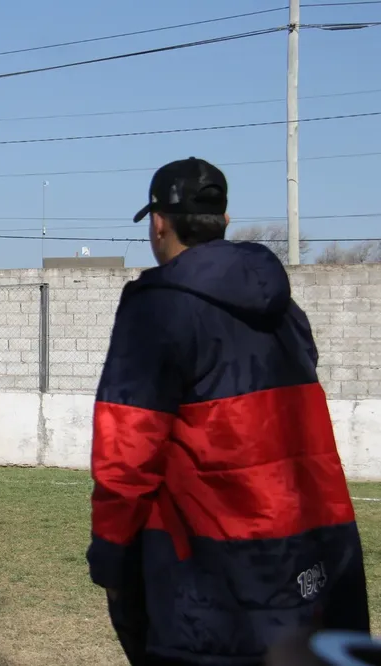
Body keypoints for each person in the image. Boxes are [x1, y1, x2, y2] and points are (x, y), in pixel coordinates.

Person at [87, 157, 369, 665]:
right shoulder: (286, 311)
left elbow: (126, 451)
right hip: (314, 557)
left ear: (159, 223)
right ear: (224, 220)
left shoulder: (155, 307)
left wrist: (110, 555)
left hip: (214, 578)